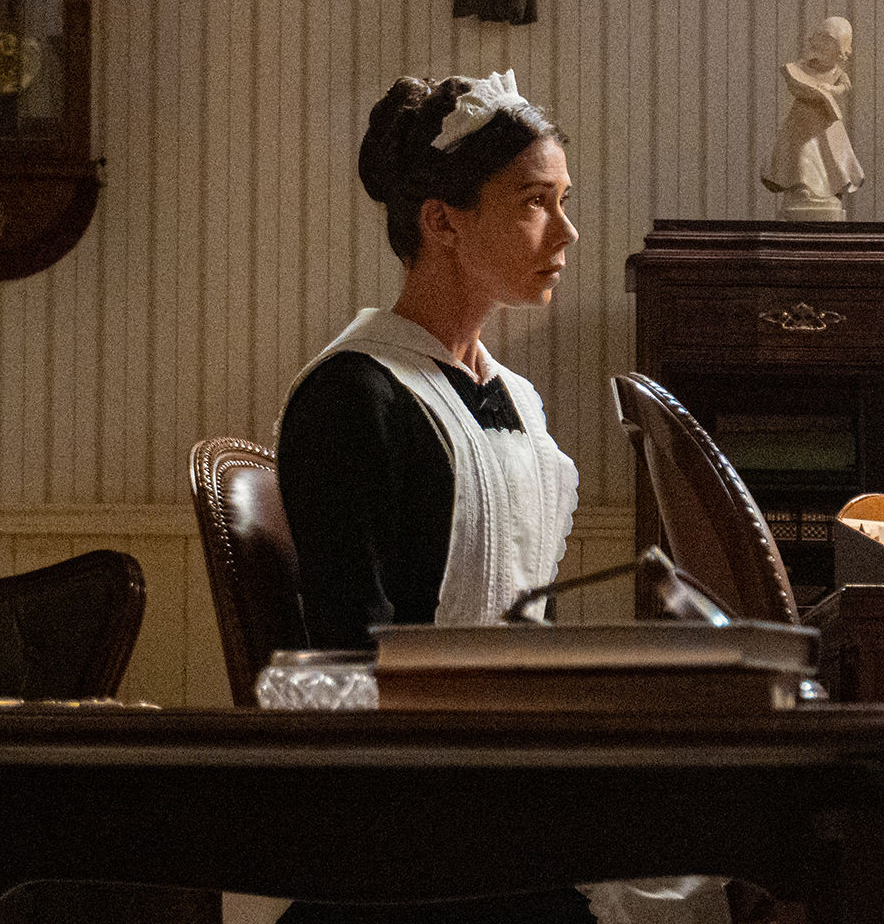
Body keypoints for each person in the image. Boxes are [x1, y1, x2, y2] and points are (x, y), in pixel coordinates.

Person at [276, 71, 729, 924]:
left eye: (563, 201)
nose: (567, 230)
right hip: (419, 811)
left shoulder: (517, 400)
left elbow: (526, 622)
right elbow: (349, 656)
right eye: (533, 203)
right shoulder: (353, 395)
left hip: (507, 760)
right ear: (442, 222)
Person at [760, 16, 864, 221]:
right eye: (821, 38)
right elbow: (795, 80)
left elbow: (845, 87)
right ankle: (803, 187)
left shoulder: (837, 73)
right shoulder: (804, 66)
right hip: (801, 121)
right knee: (802, 151)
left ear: (840, 49)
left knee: (828, 156)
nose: (823, 45)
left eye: (829, 41)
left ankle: (827, 189)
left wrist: (831, 89)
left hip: (826, 123)